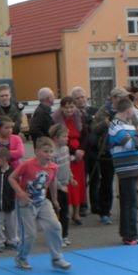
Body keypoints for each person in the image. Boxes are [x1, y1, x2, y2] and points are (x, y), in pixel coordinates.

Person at [8, 137, 71, 272]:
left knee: (55, 226)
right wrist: (20, 193)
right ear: (36, 151)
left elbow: (52, 182)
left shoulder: (53, 167)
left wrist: (54, 200)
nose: (48, 155)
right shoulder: (27, 164)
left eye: (50, 152)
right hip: (26, 203)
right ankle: (21, 257)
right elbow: (11, 177)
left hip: (42, 202)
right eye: (45, 152)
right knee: (30, 234)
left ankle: (57, 257)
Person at [107, 99, 138, 245]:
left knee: (129, 201)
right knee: (130, 202)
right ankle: (130, 235)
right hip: (125, 167)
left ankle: (127, 233)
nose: (134, 112)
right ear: (128, 110)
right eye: (133, 110)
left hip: (133, 166)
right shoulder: (115, 126)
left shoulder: (128, 126)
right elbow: (129, 144)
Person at [91, 87, 128, 225]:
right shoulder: (103, 111)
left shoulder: (126, 109)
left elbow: (134, 125)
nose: (123, 100)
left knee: (125, 181)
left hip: (124, 149)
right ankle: (104, 212)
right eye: (120, 98)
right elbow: (94, 129)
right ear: (113, 98)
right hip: (107, 150)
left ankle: (126, 210)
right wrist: (104, 124)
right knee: (106, 181)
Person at [53, 96, 87, 224]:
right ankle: (63, 213)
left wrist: (82, 150)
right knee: (66, 185)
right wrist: (73, 152)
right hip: (65, 154)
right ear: (61, 108)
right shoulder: (56, 119)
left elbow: (85, 135)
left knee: (78, 185)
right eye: (66, 107)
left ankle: (76, 213)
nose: (69, 110)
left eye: (72, 107)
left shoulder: (79, 117)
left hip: (80, 156)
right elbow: (59, 138)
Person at [71, 86, 98, 218]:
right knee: (82, 179)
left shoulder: (94, 111)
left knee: (95, 178)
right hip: (82, 151)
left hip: (94, 149)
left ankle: (95, 204)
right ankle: (83, 205)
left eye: (82, 97)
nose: (81, 100)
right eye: (77, 98)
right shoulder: (73, 114)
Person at [49, 124, 73, 247]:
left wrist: (71, 177)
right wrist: (59, 186)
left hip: (65, 185)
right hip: (56, 187)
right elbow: (51, 174)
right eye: (64, 136)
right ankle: (56, 236)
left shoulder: (66, 149)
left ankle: (64, 235)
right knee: (56, 213)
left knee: (65, 212)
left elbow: (68, 165)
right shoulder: (52, 154)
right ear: (55, 138)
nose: (67, 139)